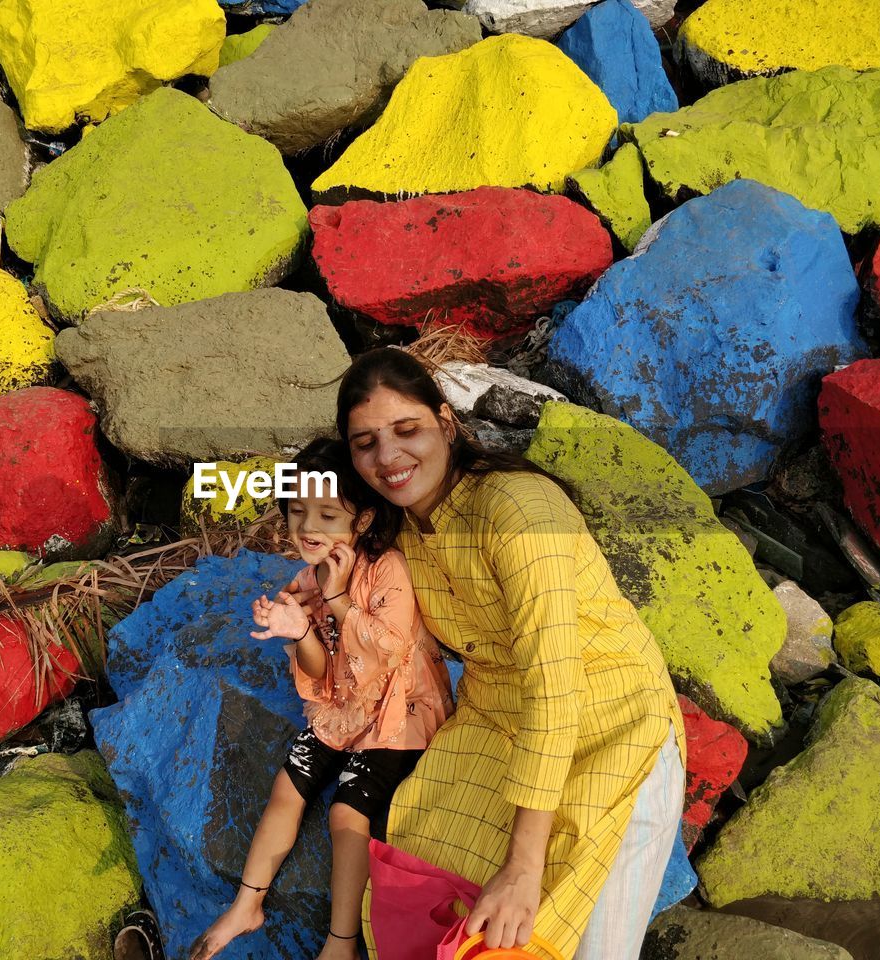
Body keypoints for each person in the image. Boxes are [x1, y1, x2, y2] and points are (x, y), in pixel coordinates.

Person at [336, 348, 686, 960]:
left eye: (407, 430)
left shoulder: (517, 510)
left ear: (447, 423)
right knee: (428, 906)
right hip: (495, 726)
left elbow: (556, 685)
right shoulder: (401, 532)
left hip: (610, 720)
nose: (388, 458)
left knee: (570, 943)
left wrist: (524, 869)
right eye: (365, 443)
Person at [189, 438, 454, 960]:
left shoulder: (387, 570)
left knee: (346, 814)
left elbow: (385, 651)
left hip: (398, 713)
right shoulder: (306, 580)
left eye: (328, 513)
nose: (309, 526)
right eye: (297, 511)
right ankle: (248, 903)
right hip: (343, 709)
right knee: (286, 788)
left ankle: (342, 942)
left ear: (362, 520)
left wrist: (335, 600)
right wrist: (297, 631)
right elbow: (320, 673)